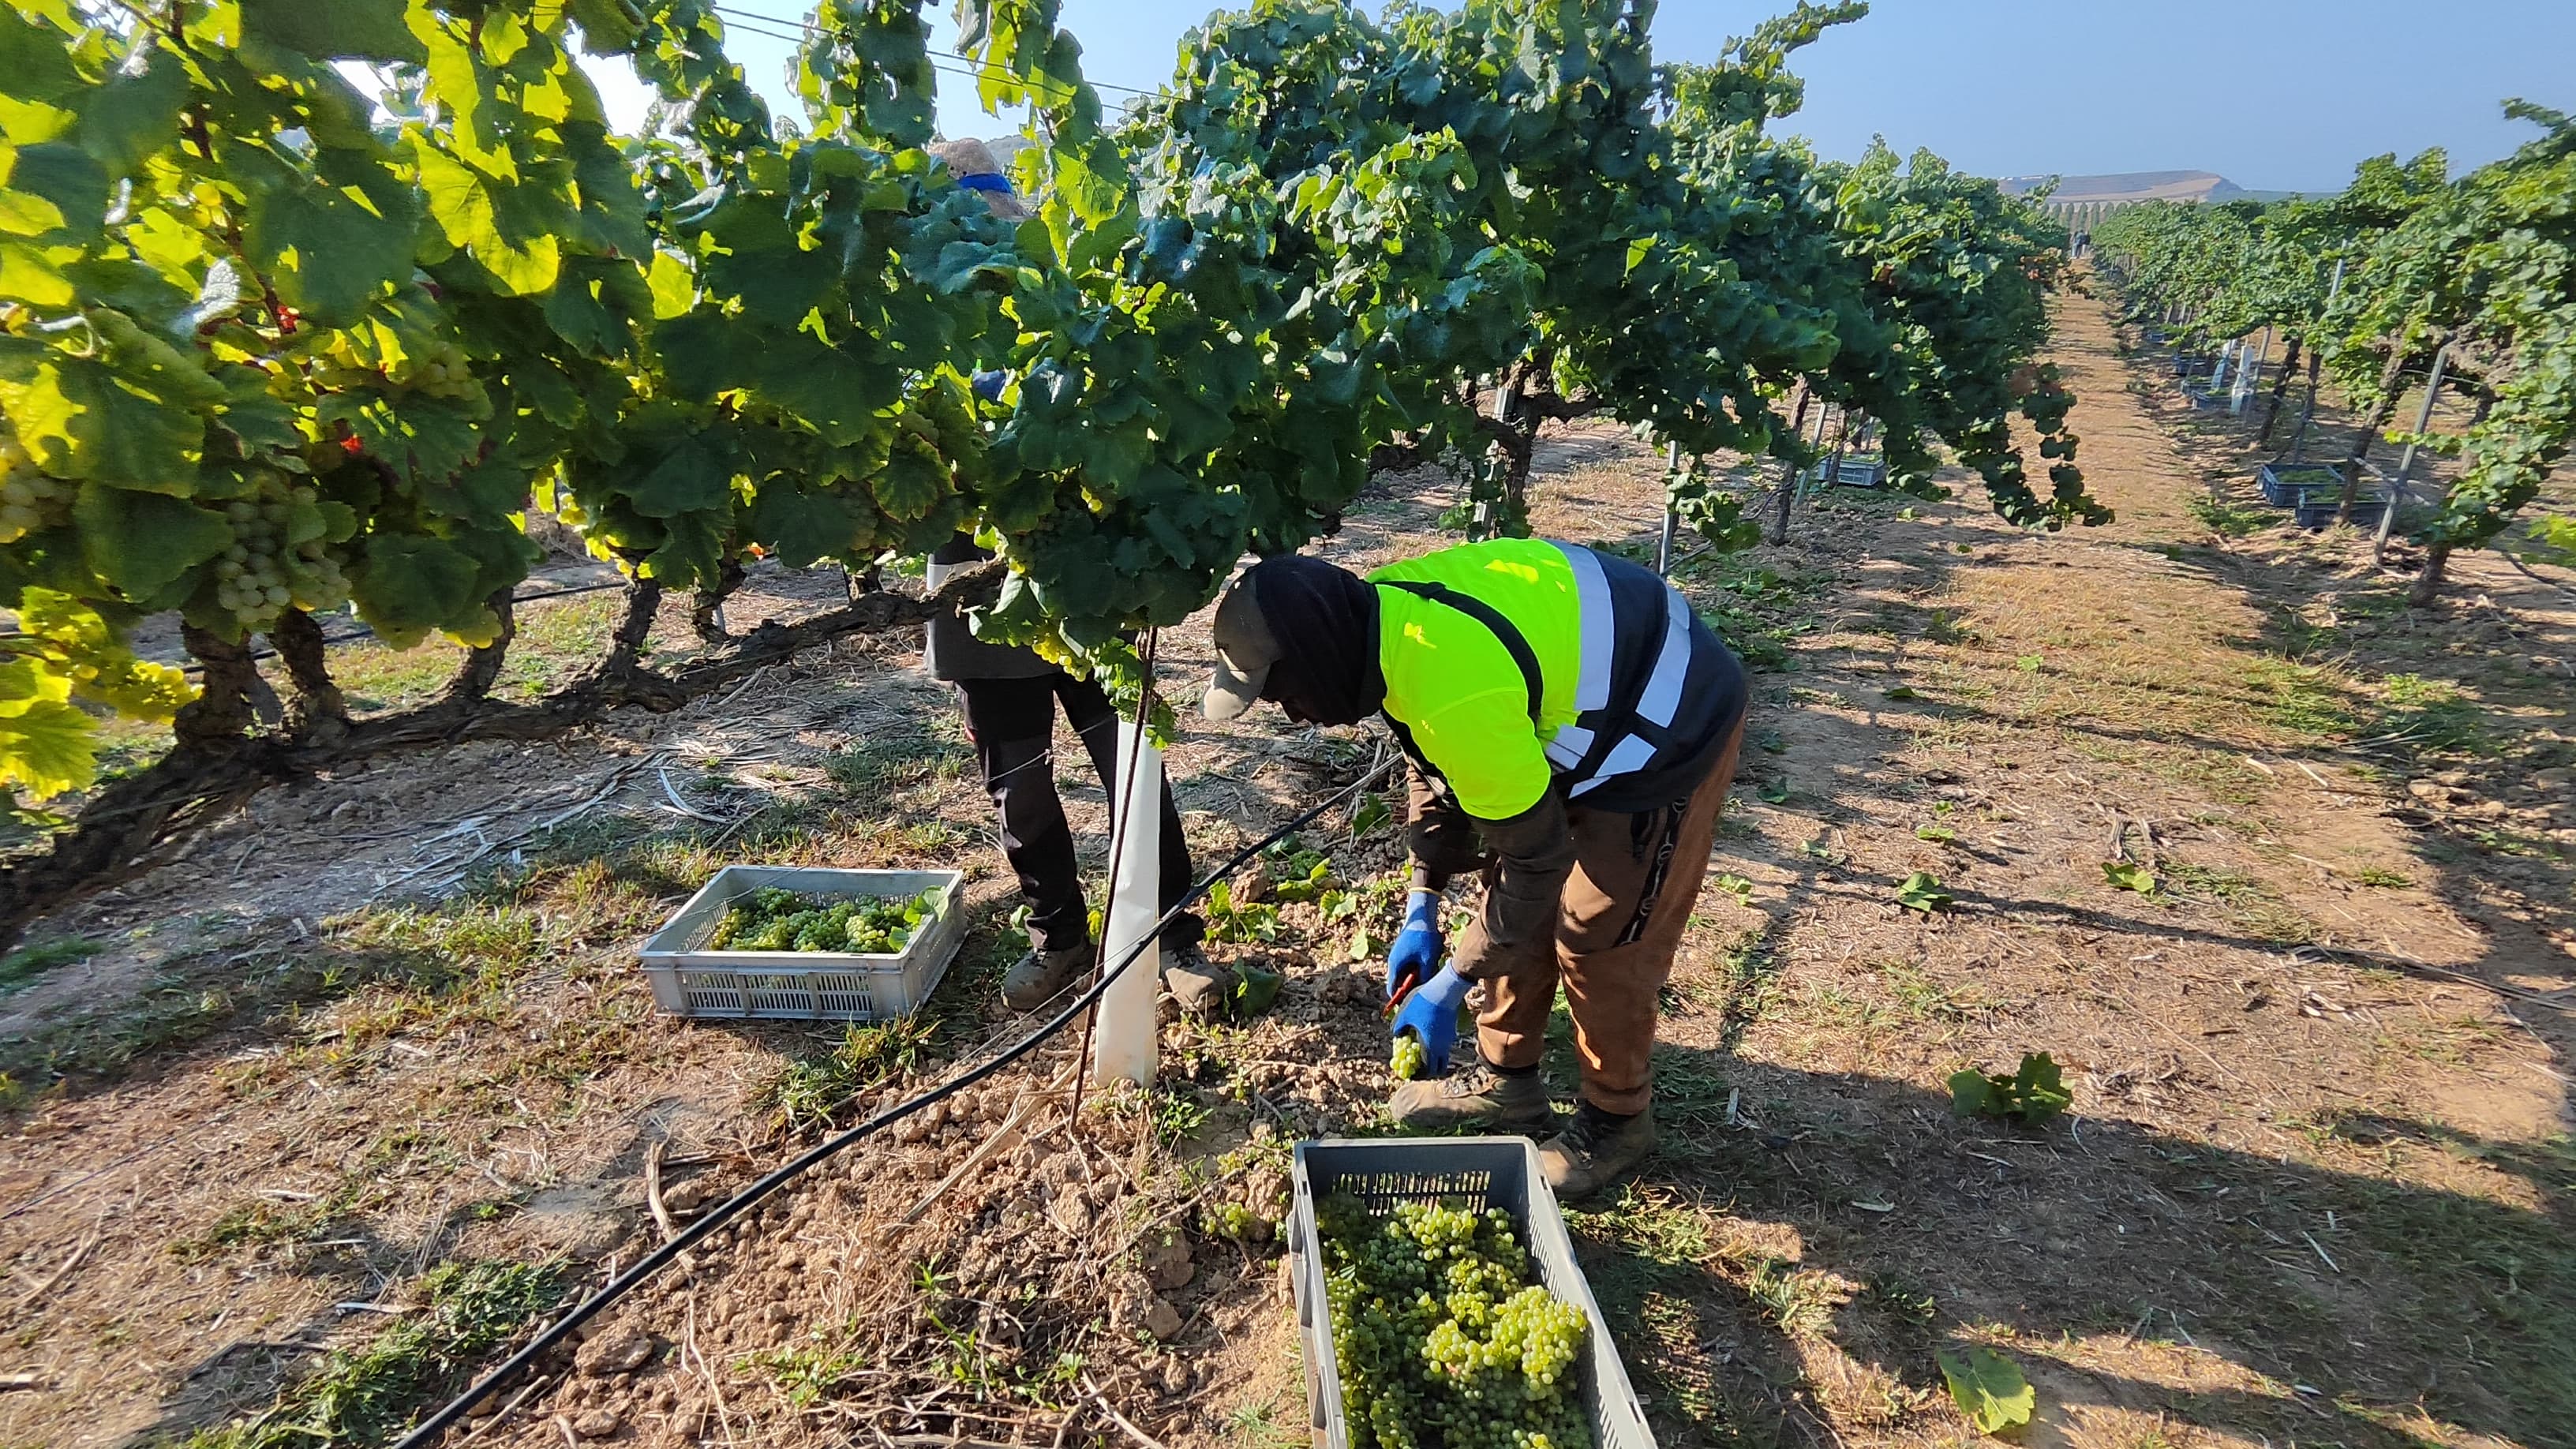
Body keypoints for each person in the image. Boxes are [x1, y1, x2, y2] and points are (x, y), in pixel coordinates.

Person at [1202, 538, 1748, 1196]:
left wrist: (1449, 985)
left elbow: (1537, 858)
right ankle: (1506, 1083)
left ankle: (1615, 1120)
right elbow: (1432, 766)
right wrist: (1421, 905)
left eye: (1282, 693)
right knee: (1510, 900)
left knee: (1596, 935)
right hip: (1578, 702)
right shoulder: (1378, 620)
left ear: (1317, 660)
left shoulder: (1452, 685)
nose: (1289, 713)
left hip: (1666, 716)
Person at [923, 140, 1224, 1016]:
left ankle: (1174, 935)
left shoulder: (1058, 306)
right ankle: (1059, 936)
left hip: (1084, 575)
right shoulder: (912, 320)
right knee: (1017, 778)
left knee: (1128, 762)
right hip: (975, 582)